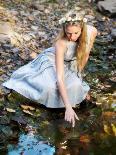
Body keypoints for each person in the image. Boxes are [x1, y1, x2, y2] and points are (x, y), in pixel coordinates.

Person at [2, 11, 97, 127]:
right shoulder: (61, 43)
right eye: (68, 33)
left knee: (76, 84)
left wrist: (80, 79)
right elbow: (60, 78)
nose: (72, 37)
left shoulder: (91, 32)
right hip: (51, 60)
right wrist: (68, 107)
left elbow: (85, 56)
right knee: (49, 88)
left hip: (70, 62)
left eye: (76, 33)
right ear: (64, 30)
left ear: (82, 29)